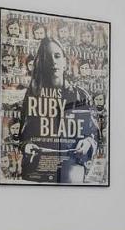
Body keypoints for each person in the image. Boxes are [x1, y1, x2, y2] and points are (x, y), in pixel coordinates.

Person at [18, 34, 101, 183]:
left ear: (65, 62)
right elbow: (23, 137)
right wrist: (27, 146)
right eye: (47, 58)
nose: (53, 62)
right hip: (38, 171)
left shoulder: (81, 96)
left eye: (57, 56)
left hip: (71, 170)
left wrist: (88, 142)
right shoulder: (32, 96)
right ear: (41, 64)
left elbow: (95, 135)